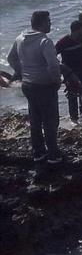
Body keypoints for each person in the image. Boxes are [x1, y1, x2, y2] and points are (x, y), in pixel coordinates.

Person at [6, 11, 64, 163]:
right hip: (44, 85)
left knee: (35, 119)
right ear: (42, 23)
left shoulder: (20, 38)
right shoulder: (45, 41)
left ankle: (38, 152)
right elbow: (53, 65)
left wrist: (21, 71)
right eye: (49, 21)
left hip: (28, 85)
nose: (50, 24)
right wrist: (57, 81)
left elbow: (10, 58)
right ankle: (53, 154)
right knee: (50, 120)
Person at [55, 21, 82, 123]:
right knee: (72, 94)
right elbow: (53, 55)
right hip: (70, 72)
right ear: (77, 30)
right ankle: (74, 119)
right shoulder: (64, 41)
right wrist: (61, 68)